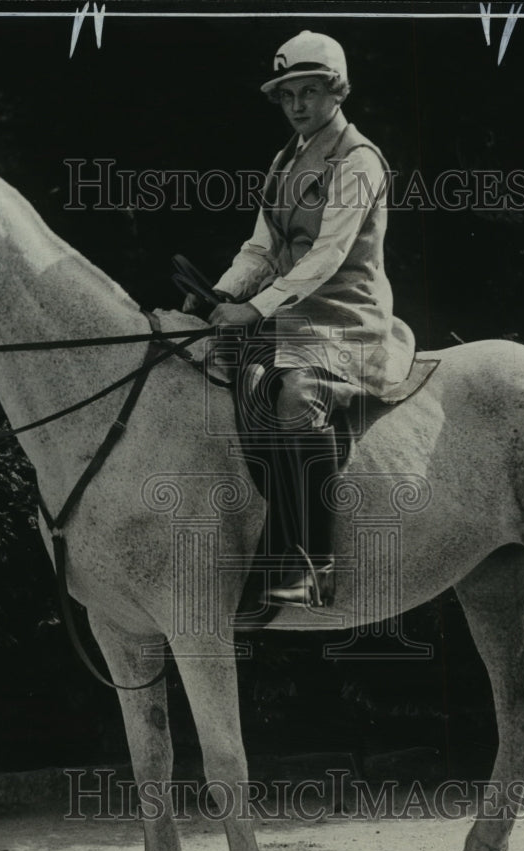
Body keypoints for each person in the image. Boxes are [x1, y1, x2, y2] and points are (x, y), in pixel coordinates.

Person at [185, 30, 415, 607]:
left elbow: (328, 255)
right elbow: (261, 249)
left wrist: (252, 308)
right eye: (288, 95)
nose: (297, 105)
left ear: (337, 92)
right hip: (289, 319)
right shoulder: (285, 158)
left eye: (310, 92)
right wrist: (219, 293)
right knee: (208, 369)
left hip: (346, 319)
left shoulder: (359, 160)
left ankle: (311, 560)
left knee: (292, 397)